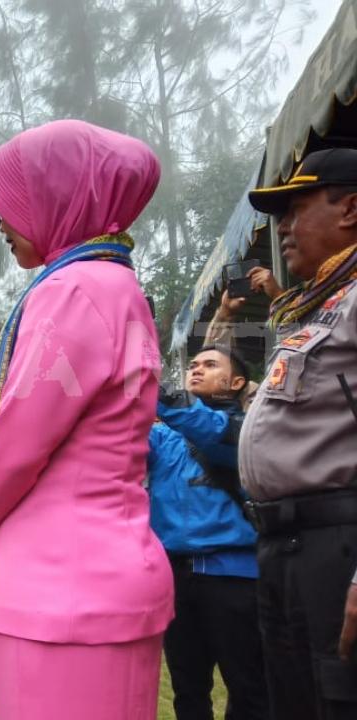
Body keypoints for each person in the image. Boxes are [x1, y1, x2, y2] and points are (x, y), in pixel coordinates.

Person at [0, 120, 173, 720]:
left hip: (57, 588)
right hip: (110, 572)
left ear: (62, 199)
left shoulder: (72, 288)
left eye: (14, 206)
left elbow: (16, 445)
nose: (1, 225)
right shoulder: (119, 285)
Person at [239, 147, 357, 720]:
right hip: (287, 546)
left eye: (296, 209)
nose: (282, 228)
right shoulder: (315, 307)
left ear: (351, 208)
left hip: (338, 543)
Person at [147, 344, 265, 720]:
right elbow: (116, 436)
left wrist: (151, 386)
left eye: (210, 365)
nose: (196, 370)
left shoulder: (247, 430)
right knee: (188, 689)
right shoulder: (165, 437)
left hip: (234, 579)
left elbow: (208, 428)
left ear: (236, 383)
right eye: (193, 365)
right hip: (175, 580)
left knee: (249, 689)